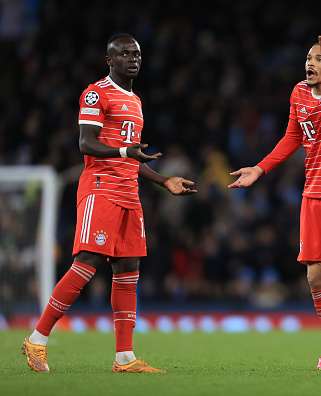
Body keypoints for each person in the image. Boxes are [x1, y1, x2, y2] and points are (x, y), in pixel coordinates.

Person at [21, 33, 197, 374]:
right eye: (125, 54)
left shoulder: (136, 100)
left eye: (137, 54)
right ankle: (37, 338)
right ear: (110, 60)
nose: (133, 59)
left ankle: (125, 358)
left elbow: (133, 156)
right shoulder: (96, 92)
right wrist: (123, 152)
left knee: (128, 271)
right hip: (100, 190)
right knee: (86, 263)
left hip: (129, 193)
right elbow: (87, 143)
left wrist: (163, 181)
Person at [229, 33, 321, 371]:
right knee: (315, 279)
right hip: (312, 193)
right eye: (309, 57)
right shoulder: (298, 93)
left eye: (319, 58)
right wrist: (260, 169)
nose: (311, 62)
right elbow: (292, 136)